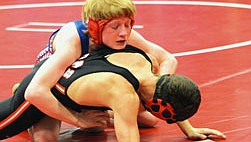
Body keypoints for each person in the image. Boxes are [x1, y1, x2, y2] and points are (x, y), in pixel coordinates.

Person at [0, 44, 226, 141]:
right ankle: (21, 92)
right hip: (45, 90)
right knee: (45, 139)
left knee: (148, 120)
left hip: (80, 81)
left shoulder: (148, 63)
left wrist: (189, 129)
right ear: (158, 104)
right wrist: (79, 120)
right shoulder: (123, 94)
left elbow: (169, 96)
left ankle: (93, 114)